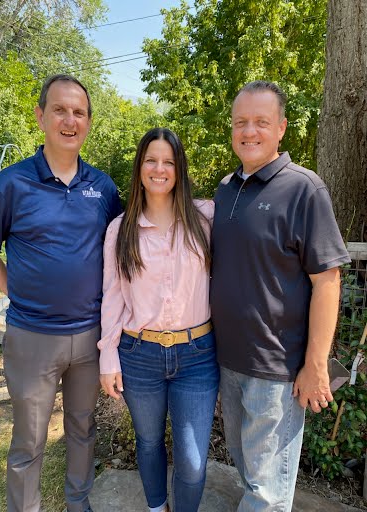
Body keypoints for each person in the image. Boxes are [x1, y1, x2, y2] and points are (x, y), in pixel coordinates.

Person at [210, 80, 351, 512]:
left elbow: (328, 282)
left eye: (261, 122)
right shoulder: (225, 189)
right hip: (228, 362)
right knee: (250, 471)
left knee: (267, 494)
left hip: (277, 372)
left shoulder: (304, 189)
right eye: (240, 122)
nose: (249, 131)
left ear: (282, 128)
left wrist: (314, 367)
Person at [0, 74, 121, 512]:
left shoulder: (104, 188)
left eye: (79, 112)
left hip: (90, 338)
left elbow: (124, 250)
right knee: (29, 439)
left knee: (82, 430)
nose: (69, 120)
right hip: (32, 338)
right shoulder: (10, 184)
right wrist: (18, 294)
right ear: (41, 115)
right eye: (60, 110)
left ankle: (79, 504)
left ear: (89, 122)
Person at [98, 127, 219, 512]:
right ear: (139, 167)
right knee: (148, 441)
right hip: (139, 353)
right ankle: (156, 507)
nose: (159, 168)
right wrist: (108, 355)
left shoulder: (206, 219)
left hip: (197, 355)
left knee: (192, 460)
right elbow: (113, 296)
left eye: (168, 161)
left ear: (179, 169)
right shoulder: (121, 229)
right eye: (151, 160)